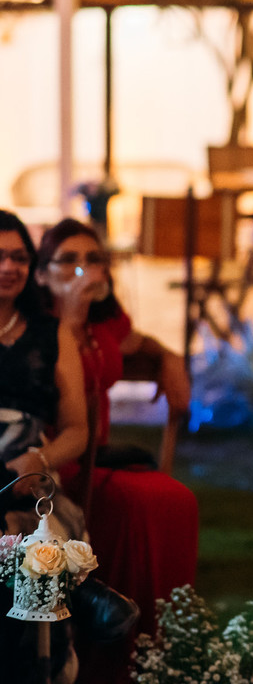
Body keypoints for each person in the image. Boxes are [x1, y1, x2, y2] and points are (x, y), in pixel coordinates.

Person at [35, 218, 199, 683]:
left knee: (173, 502)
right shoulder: (38, 329)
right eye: (68, 259)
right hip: (56, 460)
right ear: (42, 272)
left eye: (93, 259)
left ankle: (155, 645)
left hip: (98, 456)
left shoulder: (105, 323)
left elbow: (135, 343)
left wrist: (168, 357)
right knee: (152, 502)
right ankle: (113, 653)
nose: (83, 269)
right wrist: (67, 316)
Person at [0, 209, 89, 683]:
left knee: (37, 545)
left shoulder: (51, 334)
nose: (8, 267)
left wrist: (38, 459)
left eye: (18, 257)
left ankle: (42, 666)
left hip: (28, 479)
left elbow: (77, 429)